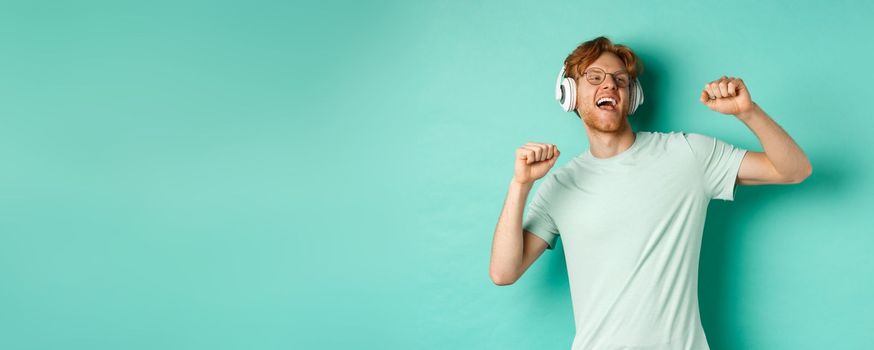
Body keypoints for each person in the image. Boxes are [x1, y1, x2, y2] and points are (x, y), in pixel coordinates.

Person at [488, 36, 812, 349]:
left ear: (633, 95)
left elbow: (794, 170)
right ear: (568, 93)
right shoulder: (560, 186)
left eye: (620, 79)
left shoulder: (688, 155)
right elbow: (503, 272)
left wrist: (747, 112)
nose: (610, 85)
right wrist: (520, 185)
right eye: (595, 77)